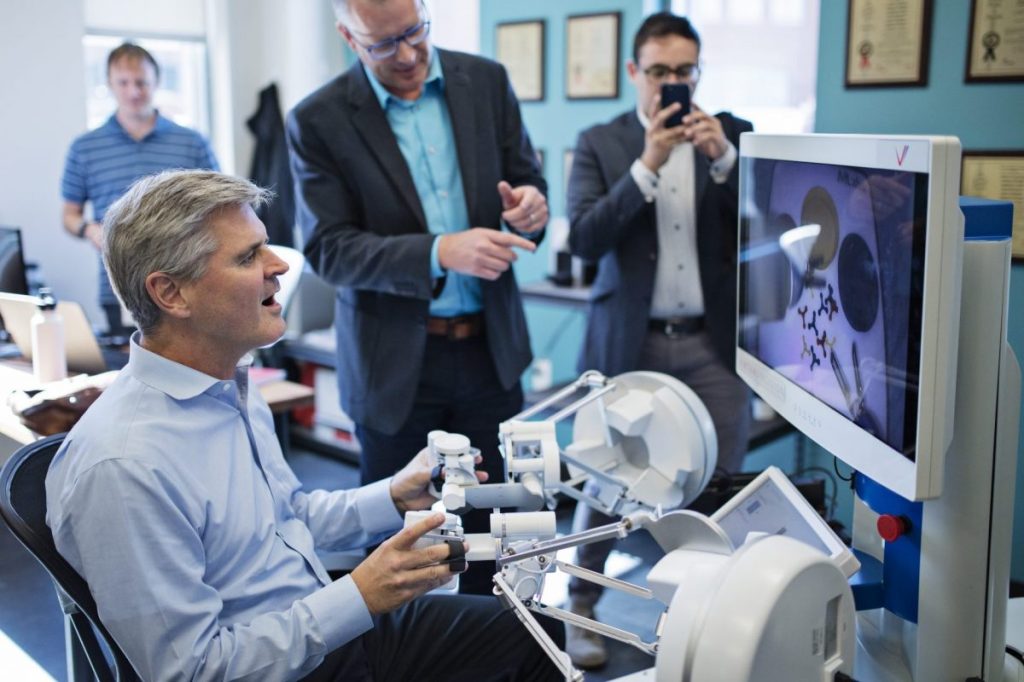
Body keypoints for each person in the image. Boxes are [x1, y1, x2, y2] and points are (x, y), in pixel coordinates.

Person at [45, 169, 562, 681]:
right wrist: (359, 595)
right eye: (248, 256)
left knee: (538, 633)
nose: (278, 266)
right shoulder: (124, 466)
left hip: (316, 625)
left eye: (265, 246)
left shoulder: (231, 387)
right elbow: (191, 672)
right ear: (171, 294)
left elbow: (285, 519)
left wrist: (393, 497)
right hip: (283, 662)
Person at [287, 0, 547, 594]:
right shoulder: (318, 119)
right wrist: (437, 252)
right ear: (347, 37)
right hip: (394, 367)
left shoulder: (485, 82)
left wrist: (531, 207)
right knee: (400, 549)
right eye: (383, 44)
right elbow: (328, 249)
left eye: (414, 33)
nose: (406, 55)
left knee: (495, 534)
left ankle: (493, 653)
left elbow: (530, 181)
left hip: (491, 352)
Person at [565, 12, 753, 669]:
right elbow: (585, 238)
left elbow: (765, 225)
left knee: (722, 479)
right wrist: (648, 164)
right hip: (627, 346)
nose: (672, 84)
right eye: (659, 72)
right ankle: (582, 606)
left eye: (684, 72)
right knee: (601, 478)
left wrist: (725, 162)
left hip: (711, 346)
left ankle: (706, 617)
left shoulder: (730, 138)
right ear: (633, 73)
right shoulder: (600, 141)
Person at [61, 42, 218, 337]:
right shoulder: (84, 148)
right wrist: (89, 229)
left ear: (156, 82)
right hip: (117, 284)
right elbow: (69, 215)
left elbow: (220, 209)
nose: (133, 91)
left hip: (187, 279)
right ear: (110, 84)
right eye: (124, 82)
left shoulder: (192, 142)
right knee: (131, 367)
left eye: (141, 82)